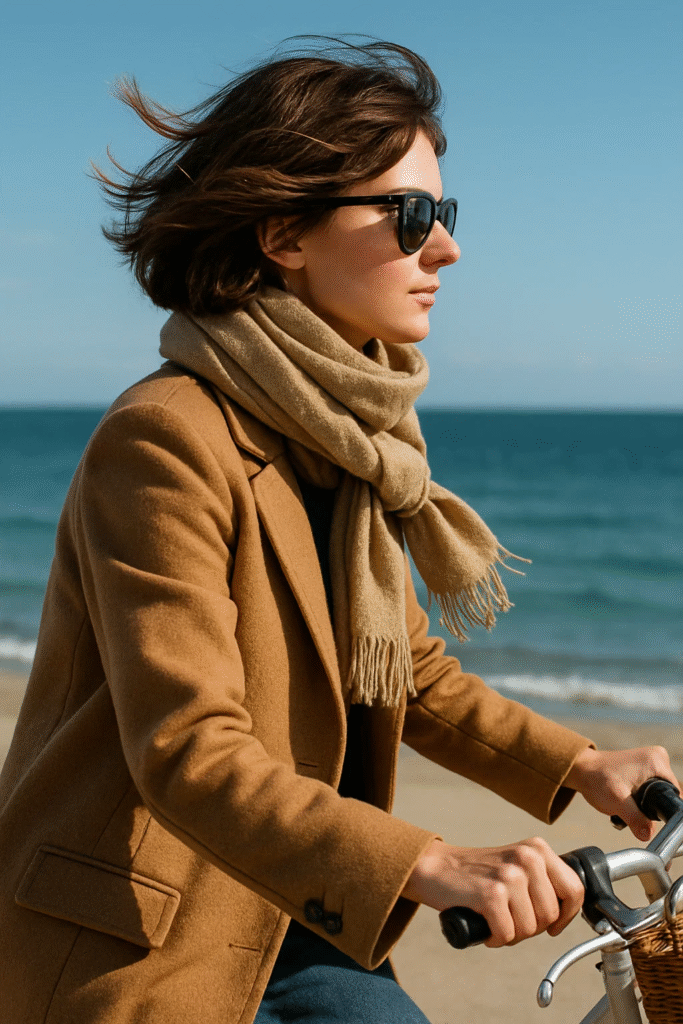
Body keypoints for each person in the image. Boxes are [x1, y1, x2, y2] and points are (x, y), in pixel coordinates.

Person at [0, 37, 677, 1024]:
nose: (443, 248)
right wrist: (430, 862)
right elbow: (186, 748)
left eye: (443, 214)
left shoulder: (346, 438)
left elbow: (402, 667)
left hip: (293, 909)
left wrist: (579, 765)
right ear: (283, 233)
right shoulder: (165, 438)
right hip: (148, 928)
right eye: (409, 217)